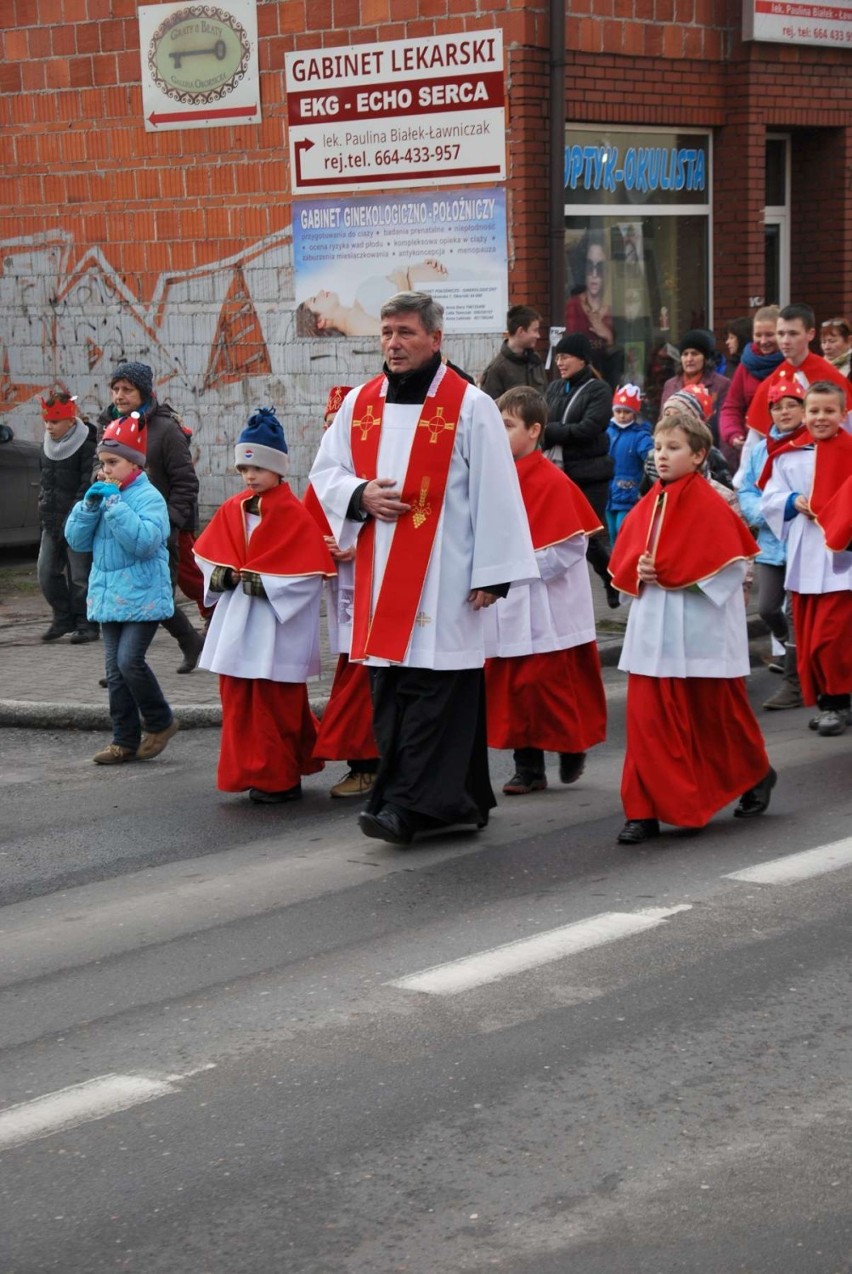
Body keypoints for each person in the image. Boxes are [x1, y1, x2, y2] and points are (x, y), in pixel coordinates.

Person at [309, 290, 538, 847]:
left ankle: (407, 808)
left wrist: (494, 571)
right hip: (382, 577)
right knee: (390, 691)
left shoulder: (469, 405)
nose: (393, 343)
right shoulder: (360, 403)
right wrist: (360, 494)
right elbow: (325, 471)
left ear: (435, 339)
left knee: (438, 697)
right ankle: (458, 800)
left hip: (445, 579)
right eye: (387, 332)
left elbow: (497, 491)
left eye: (406, 332)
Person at [609, 406, 775, 845]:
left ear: (699, 454)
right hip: (652, 631)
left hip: (698, 631)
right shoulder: (649, 504)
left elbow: (730, 570)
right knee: (646, 722)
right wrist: (639, 573)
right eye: (659, 447)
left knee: (717, 719)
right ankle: (642, 811)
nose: (662, 456)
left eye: (674, 448)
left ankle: (756, 773)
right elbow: (624, 567)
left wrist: (677, 573)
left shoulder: (713, 505)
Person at [193, 408, 336, 803]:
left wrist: (260, 580)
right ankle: (249, 773)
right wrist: (223, 576)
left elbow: (309, 576)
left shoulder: (296, 515)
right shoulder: (231, 508)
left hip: (276, 630)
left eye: (258, 468)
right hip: (238, 625)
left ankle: (282, 777)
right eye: (243, 469)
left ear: (280, 469)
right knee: (240, 703)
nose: (250, 476)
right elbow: (206, 558)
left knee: (276, 705)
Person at [483, 387, 607, 795]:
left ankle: (571, 747)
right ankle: (528, 767)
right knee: (514, 689)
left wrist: (520, 569)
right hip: (505, 602)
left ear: (534, 430)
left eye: (507, 426)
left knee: (550, 686)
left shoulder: (553, 480)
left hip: (546, 603)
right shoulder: (490, 478)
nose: (498, 434)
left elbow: (572, 544)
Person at [65, 412, 178, 765]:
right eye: (103, 464)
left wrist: (113, 504)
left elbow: (143, 542)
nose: (105, 471)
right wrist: (88, 506)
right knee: (115, 672)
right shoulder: (104, 495)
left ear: (134, 464)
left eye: (113, 463)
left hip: (143, 595)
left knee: (130, 662)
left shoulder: (150, 498)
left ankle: (160, 721)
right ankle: (123, 740)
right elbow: (76, 541)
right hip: (108, 595)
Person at [760, 381, 852, 737]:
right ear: (804, 414)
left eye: (829, 411)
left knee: (833, 638)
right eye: (814, 411)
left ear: (843, 414)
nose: (821, 417)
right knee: (811, 641)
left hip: (840, 562)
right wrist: (793, 501)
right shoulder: (789, 452)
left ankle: (836, 704)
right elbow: (771, 497)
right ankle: (832, 698)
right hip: (804, 556)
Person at [100, 362, 205, 673]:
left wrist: (170, 523)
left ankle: (125, 665)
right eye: (116, 389)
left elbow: (186, 483)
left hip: (160, 529)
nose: (119, 396)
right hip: (121, 528)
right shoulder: (108, 425)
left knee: (155, 595)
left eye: (127, 390)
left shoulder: (166, 429)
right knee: (130, 593)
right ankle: (183, 644)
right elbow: (103, 473)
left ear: (143, 392)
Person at [305, 386, 381, 800]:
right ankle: (367, 762)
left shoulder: (376, 474)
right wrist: (323, 548)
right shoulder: (323, 480)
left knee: (367, 681)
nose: (330, 434)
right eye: (327, 426)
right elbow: (303, 533)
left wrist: (354, 546)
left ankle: (367, 763)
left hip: (379, 590)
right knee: (356, 673)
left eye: (339, 427)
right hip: (345, 596)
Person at [738, 376, 806, 711]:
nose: (784, 412)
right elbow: (747, 490)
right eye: (778, 407)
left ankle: (794, 684)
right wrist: (768, 512)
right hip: (770, 541)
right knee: (767, 607)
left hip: (802, 541)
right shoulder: (760, 450)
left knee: (794, 614)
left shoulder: (811, 444)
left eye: (791, 405)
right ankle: (794, 649)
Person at [543, 332, 618, 607]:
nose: (560, 362)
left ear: (582, 360)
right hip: (558, 472)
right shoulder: (553, 388)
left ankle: (609, 577)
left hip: (590, 474)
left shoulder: (598, 389)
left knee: (588, 537)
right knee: (559, 536)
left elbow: (589, 427)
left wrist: (552, 432)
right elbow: (540, 421)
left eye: (565, 357)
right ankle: (564, 594)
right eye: (558, 357)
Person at [36, 391, 98, 643]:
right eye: (47, 422)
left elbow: (86, 484)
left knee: (80, 575)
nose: (49, 427)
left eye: (55, 422)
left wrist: (75, 515)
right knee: (46, 571)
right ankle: (63, 617)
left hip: (78, 521)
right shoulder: (47, 446)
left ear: (70, 421)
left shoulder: (87, 444)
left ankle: (87, 623)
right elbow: (46, 482)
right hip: (51, 520)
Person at [746, 304, 852, 438]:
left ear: (810, 334)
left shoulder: (831, 377)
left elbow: (849, 426)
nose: (785, 341)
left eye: (793, 334)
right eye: (781, 334)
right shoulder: (769, 384)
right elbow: (755, 443)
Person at [296, 260, 453, 337]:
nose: (321, 292)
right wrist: (402, 276)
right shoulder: (355, 323)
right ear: (320, 321)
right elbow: (403, 323)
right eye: (315, 300)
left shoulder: (356, 310)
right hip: (443, 297)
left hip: (445, 285)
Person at [719, 305, 783, 479]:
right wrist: (734, 434)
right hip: (754, 449)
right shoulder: (745, 366)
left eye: (769, 335)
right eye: (758, 335)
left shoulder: (791, 364)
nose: (763, 341)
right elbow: (731, 406)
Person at [564, 233, 620, 385]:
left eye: (599, 268)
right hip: (578, 384)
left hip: (607, 385)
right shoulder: (573, 306)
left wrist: (608, 336)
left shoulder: (612, 309)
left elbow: (619, 361)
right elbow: (566, 354)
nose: (594, 275)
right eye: (590, 267)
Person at [660, 329, 730, 446]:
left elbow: (724, 426)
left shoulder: (721, 385)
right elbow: (662, 422)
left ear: (705, 357)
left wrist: (723, 461)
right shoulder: (670, 385)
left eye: (695, 353)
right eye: (685, 354)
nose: (689, 359)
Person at [605, 383, 653, 542]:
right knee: (611, 530)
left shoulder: (640, 435)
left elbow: (650, 454)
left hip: (628, 491)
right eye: (618, 411)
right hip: (609, 491)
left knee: (622, 529)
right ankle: (614, 561)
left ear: (634, 413)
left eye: (626, 412)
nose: (622, 415)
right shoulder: (607, 431)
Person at [480, 305, 548, 399]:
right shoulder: (496, 369)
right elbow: (490, 408)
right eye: (535, 330)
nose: (538, 336)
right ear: (521, 331)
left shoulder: (535, 360)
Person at [819, 316, 852, 381]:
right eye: (823, 342)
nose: (826, 347)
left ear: (849, 340)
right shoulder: (817, 366)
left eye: (832, 341)